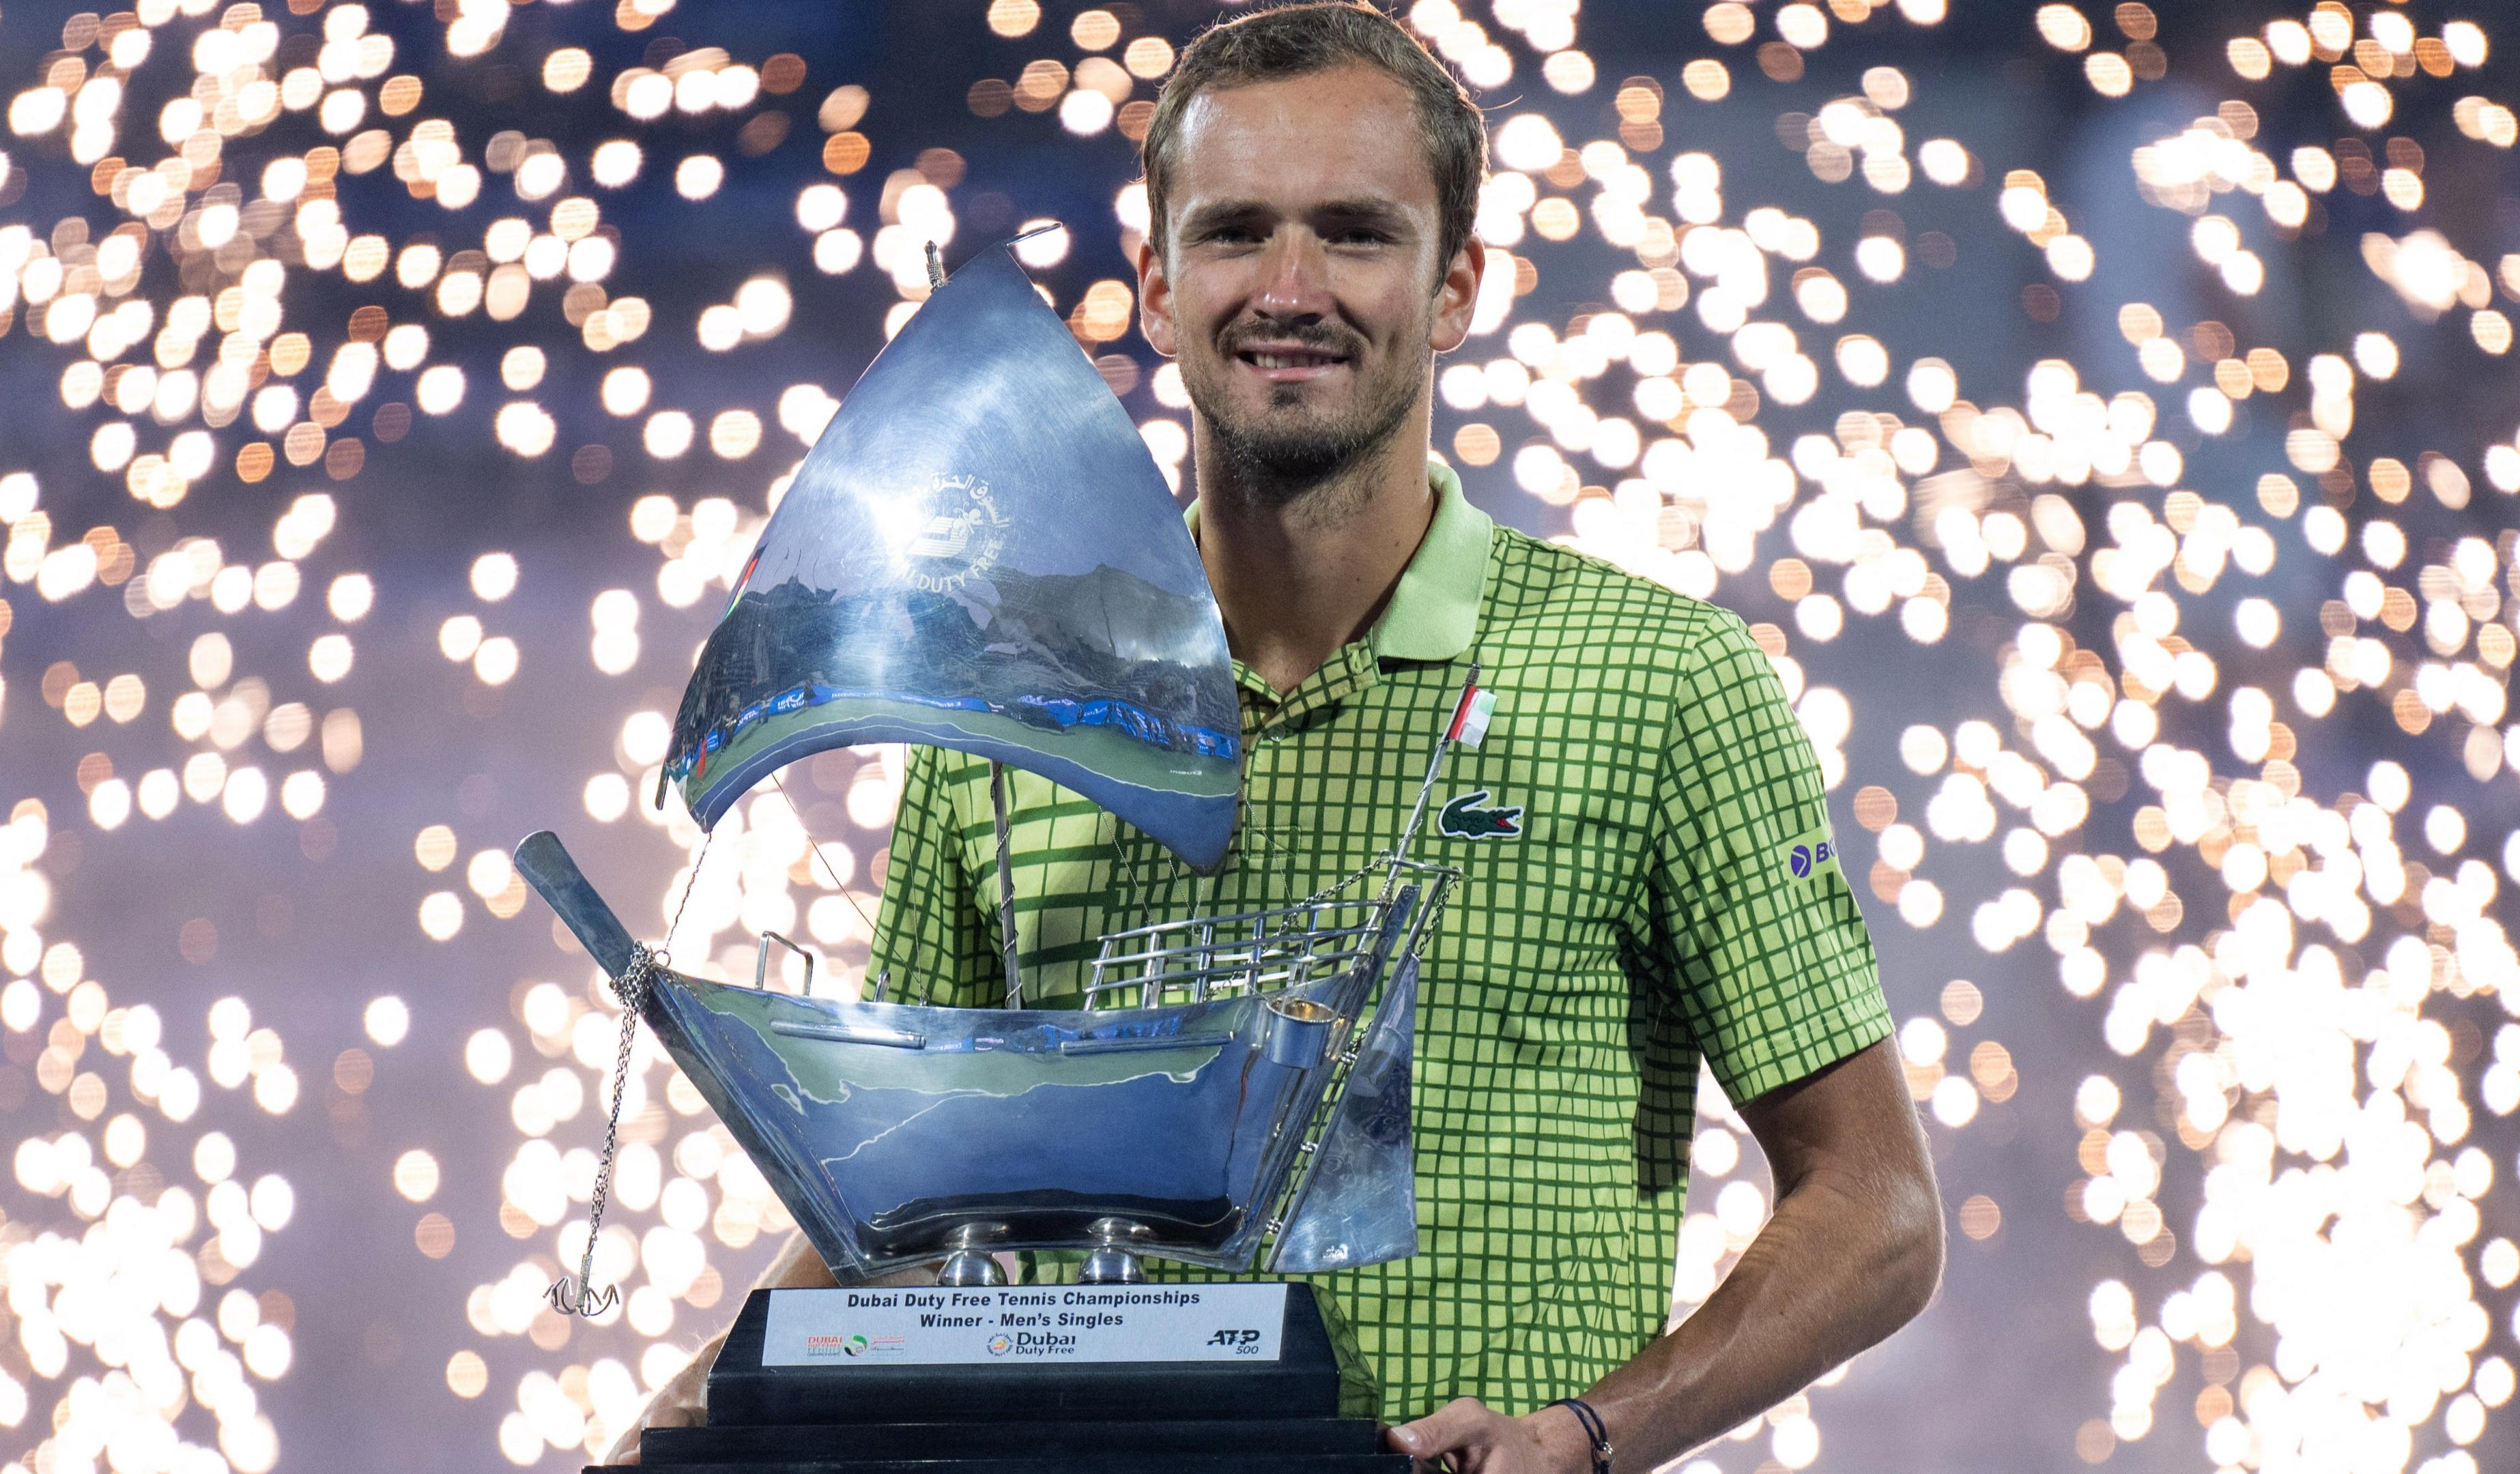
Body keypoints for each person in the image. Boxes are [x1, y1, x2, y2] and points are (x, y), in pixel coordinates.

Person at [610, 5, 1942, 1469]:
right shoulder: (1005, 708)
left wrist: (1590, 1433)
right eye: (1237, 232)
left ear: (1455, 289)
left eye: (1356, 234)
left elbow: (1877, 1208)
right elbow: (906, 1209)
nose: (1291, 290)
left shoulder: (1659, 683)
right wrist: (678, 1418)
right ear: (1157, 287)